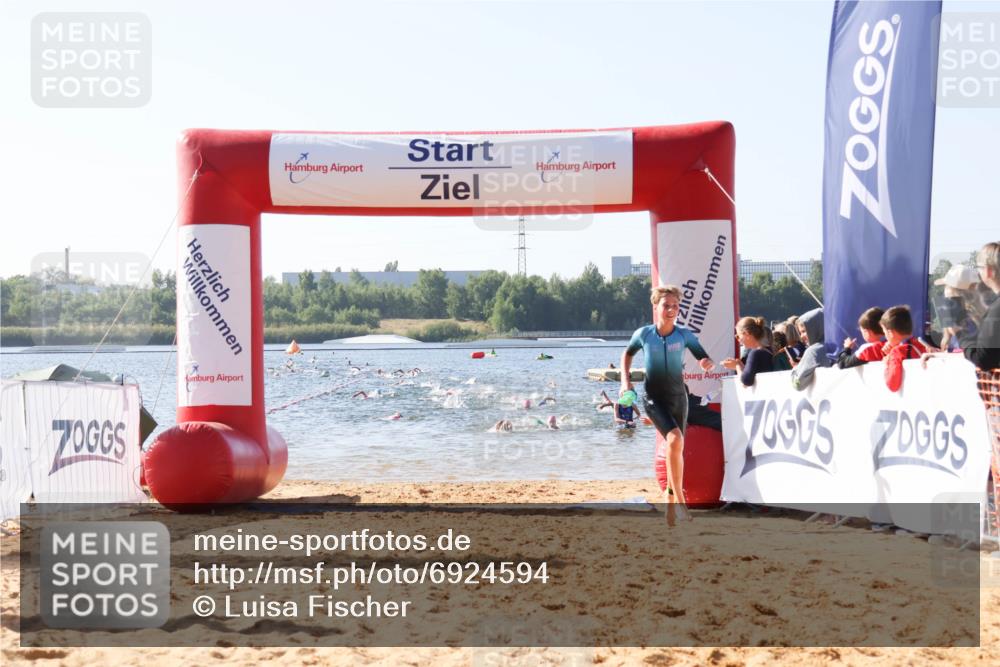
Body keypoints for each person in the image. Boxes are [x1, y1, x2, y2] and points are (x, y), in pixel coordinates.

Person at [621, 285, 715, 517]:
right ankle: (680, 500)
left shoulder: (684, 335)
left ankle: (670, 502)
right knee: (675, 438)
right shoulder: (644, 334)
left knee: (677, 447)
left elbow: (702, 355)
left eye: (675, 306)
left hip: (678, 398)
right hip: (653, 398)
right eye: (666, 305)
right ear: (656, 307)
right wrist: (625, 381)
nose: (671, 309)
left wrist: (706, 362)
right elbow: (627, 354)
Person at [959, 242, 1000, 370]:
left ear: (989, 271)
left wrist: (963, 338)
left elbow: (982, 359)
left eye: (979, 267)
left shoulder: (997, 309)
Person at [879, 306, 927, 392]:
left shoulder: (897, 352)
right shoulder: (921, 344)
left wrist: (887, 363)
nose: (885, 337)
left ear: (890, 333)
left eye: (885, 332)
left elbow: (892, 385)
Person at [721, 316, 774, 386]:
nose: (738, 340)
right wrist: (740, 365)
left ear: (746, 334)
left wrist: (737, 366)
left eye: (738, 336)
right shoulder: (768, 350)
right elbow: (753, 373)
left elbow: (746, 381)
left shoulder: (755, 353)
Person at [790, 308, 831, 390]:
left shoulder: (813, 351)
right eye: (800, 332)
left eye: (804, 331)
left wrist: (795, 368)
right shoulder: (845, 343)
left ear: (814, 328)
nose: (801, 337)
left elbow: (797, 385)